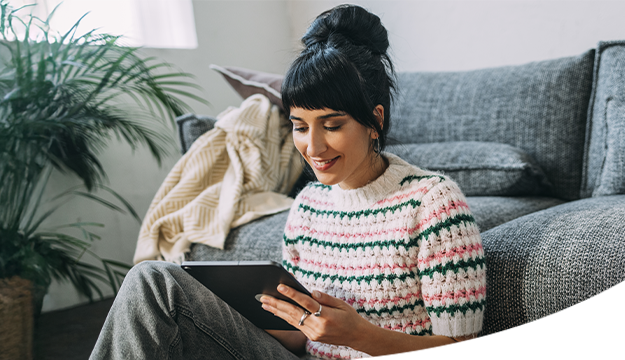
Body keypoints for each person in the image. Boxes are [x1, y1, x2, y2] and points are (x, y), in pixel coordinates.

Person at [89, 5, 485, 360]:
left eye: (332, 125)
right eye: (299, 127)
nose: (312, 147)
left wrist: (360, 336)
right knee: (153, 281)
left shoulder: (433, 204)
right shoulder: (308, 206)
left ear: (375, 120)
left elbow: (465, 351)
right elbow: (295, 341)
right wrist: (235, 312)